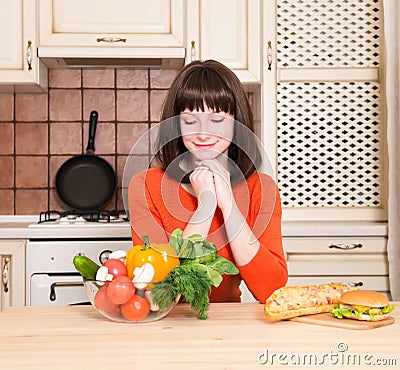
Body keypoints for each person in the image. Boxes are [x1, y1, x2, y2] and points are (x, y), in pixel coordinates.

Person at [127, 59, 287, 303]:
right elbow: (158, 290)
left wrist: (229, 205)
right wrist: (206, 207)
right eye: (190, 121)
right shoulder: (146, 186)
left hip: (232, 327)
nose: (203, 133)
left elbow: (271, 291)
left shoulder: (261, 188)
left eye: (217, 120)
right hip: (167, 326)